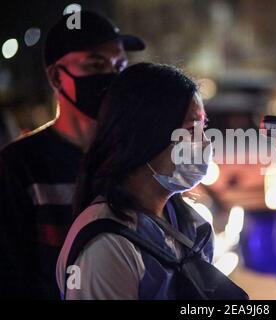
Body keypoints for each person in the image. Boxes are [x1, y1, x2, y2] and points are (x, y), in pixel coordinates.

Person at [0, 11, 145, 299]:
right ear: (56, 76)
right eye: (96, 64)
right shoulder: (19, 165)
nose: (112, 77)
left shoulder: (134, 157)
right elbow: (10, 274)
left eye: (119, 65)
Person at [56, 63, 217, 299]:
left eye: (204, 127)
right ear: (145, 135)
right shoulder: (107, 246)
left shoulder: (194, 227)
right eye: (190, 130)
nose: (204, 143)